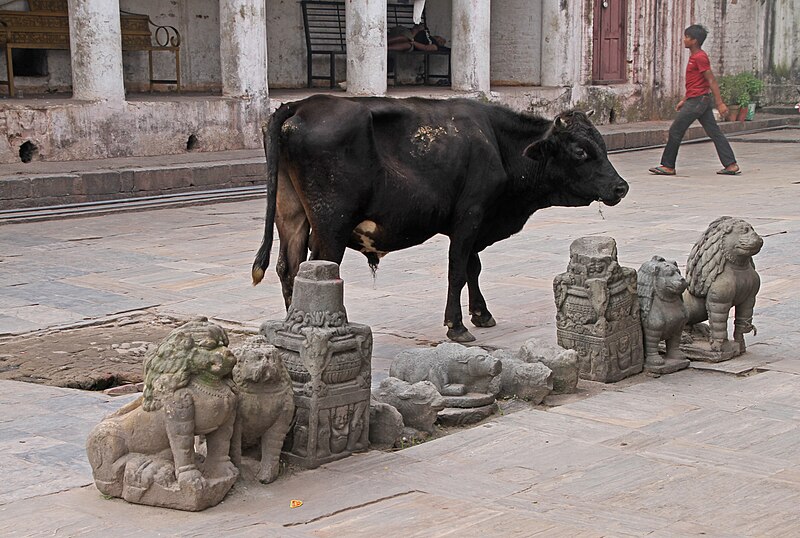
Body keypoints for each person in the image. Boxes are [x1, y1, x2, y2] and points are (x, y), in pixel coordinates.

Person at [649, 25, 740, 176]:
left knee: (676, 130)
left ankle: (668, 166)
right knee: (714, 132)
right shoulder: (694, 57)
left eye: (687, 37)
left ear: (694, 41)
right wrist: (685, 99)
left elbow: (711, 81)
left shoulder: (700, 57)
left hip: (698, 101)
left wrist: (720, 103)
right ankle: (731, 165)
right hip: (697, 99)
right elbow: (698, 82)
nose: (684, 40)